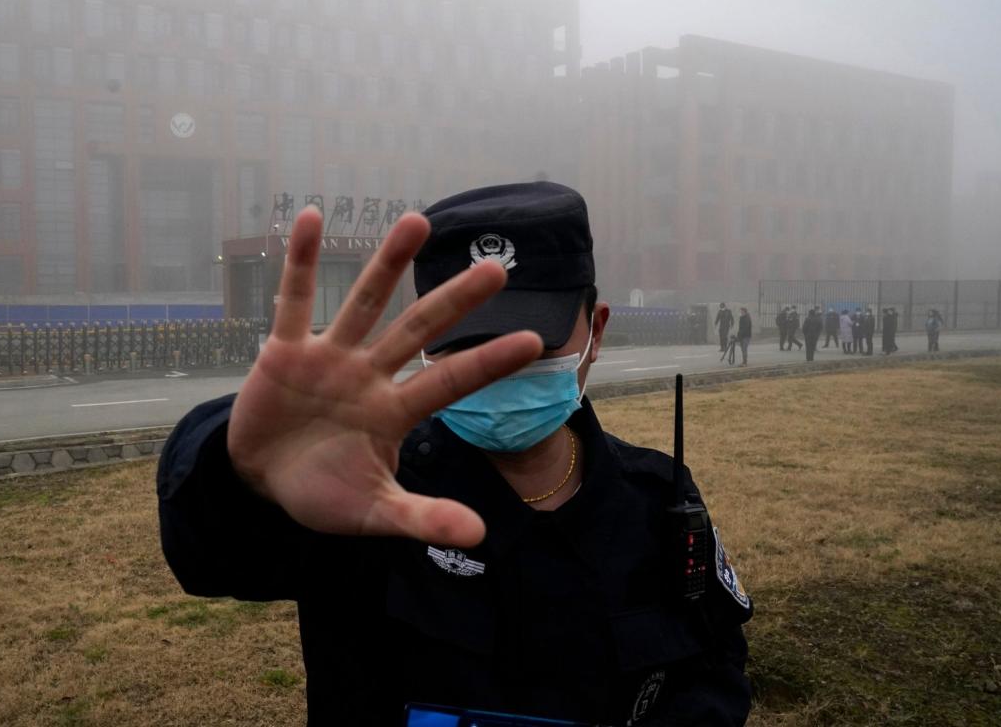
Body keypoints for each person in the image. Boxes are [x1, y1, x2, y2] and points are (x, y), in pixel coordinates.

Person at [156, 183, 753, 726]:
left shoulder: (656, 500)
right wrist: (244, 471)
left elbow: (714, 669)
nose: (496, 365)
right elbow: (209, 555)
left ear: (596, 329)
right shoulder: (367, 498)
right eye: (466, 340)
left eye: (531, 339)